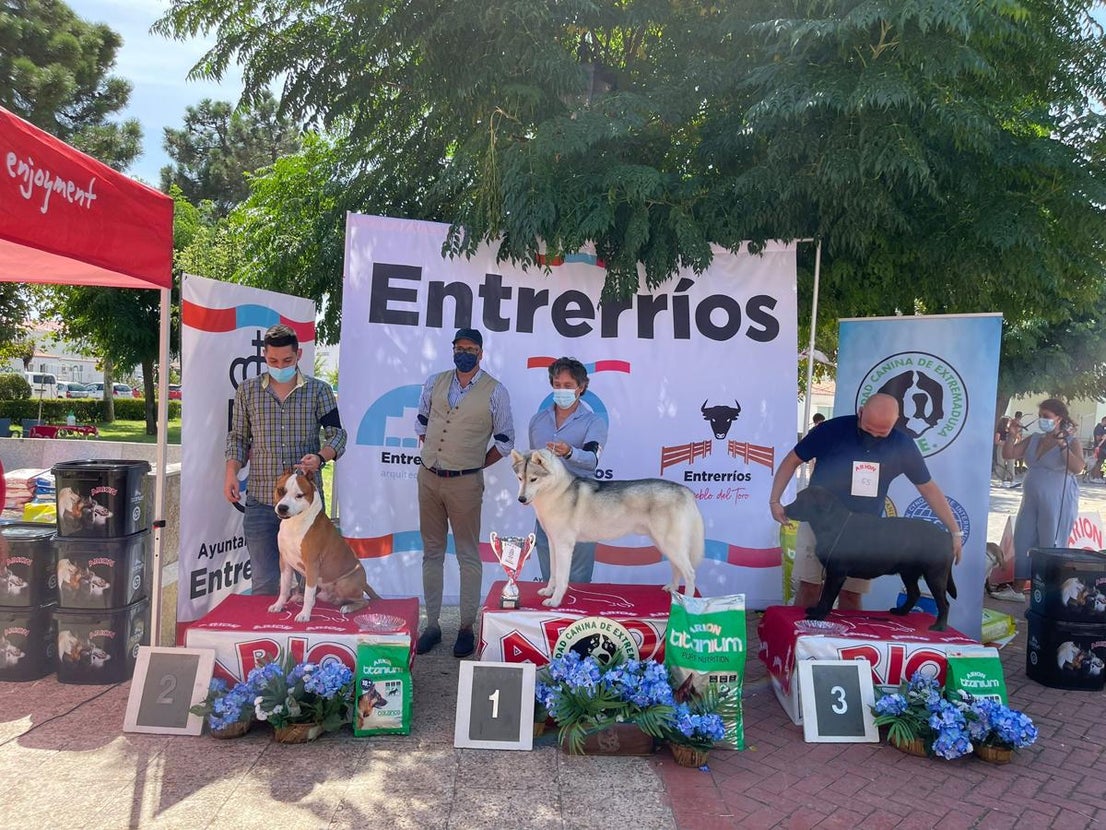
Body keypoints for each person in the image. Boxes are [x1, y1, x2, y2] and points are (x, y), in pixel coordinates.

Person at [768, 393, 963, 611]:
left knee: (851, 593)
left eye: (882, 433)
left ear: (895, 422)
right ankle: (802, 640)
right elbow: (792, 460)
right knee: (810, 586)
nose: (875, 437)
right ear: (860, 413)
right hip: (819, 521)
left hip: (865, 533)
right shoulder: (831, 430)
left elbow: (928, 488)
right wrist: (775, 500)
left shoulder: (903, 446)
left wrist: (954, 532)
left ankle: (846, 643)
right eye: (869, 430)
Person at [224, 324, 347, 595]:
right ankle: (265, 635)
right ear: (264, 356)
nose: (280, 365)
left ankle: (305, 636)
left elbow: (337, 436)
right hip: (262, 502)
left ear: (298, 355)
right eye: (273, 361)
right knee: (265, 583)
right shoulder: (247, 391)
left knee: (310, 583)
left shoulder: (319, 391)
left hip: (305, 506)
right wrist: (231, 472)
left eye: (287, 360)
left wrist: (320, 456)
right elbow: (238, 438)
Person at [414, 328, 515, 658]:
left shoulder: (495, 392)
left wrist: (475, 465)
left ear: (481, 353)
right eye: (460, 347)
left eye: (471, 348)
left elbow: (505, 441)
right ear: (453, 349)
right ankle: (432, 626)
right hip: (429, 477)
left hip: (466, 482)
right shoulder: (435, 381)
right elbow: (422, 421)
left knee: (468, 554)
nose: (465, 353)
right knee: (432, 552)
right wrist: (433, 454)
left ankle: (466, 627)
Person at [528, 357, 608, 584]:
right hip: (547, 505)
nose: (561, 390)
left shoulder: (594, 422)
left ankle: (578, 616)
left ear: (581, 388)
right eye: (556, 384)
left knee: (579, 567)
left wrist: (570, 452)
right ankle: (551, 615)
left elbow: (592, 460)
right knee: (548, 563)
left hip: (580, 504)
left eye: (568, 386)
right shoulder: (537, 422)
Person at [1000, 398, 1082, 601]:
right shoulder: (1034, 438)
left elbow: (1077, 468)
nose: (1042, 420)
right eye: (1040, 416)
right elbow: (1009, 454)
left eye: (1046, 417)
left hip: (1057, 499)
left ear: (1058, 419)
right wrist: (1012, 435)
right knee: (1023, 539)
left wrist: (1063, 443)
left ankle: (1050, 591)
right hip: (1031, 499)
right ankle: (1018, 589)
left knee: (1051, 543)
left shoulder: (1072, 441)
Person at [993, 416, 1015, 485]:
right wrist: (1003, 443)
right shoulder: (1000, 431)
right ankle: (1000, 478)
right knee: (1001, 463)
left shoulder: (1011, 430)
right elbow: (996, 441)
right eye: (1009, 421)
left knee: (1011, 463)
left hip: (1010, 448)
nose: (1010, 423)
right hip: (1002, 447)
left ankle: (1010, 478)